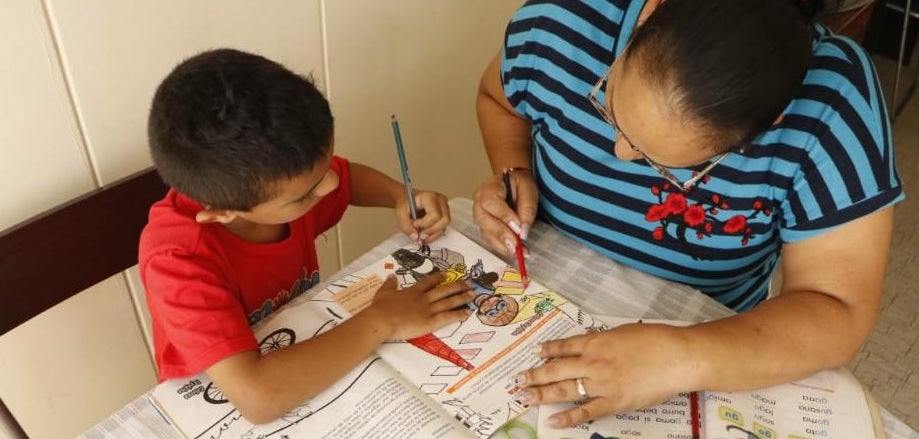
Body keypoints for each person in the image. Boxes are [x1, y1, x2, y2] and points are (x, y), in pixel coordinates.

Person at [473, 0, 903, 429]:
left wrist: (679, 358)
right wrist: (514, 168)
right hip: (549, 293)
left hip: (713, 340)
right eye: (609, 104)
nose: (620, 154)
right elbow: (499, 99)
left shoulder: (834, 101)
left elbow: (838, 310)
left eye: (663, 163)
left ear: (770, 122)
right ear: (649, 12)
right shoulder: (564, 19)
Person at [140, 48, 474, 424]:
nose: (330, 186)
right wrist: (383, 320)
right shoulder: (177, 261)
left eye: (325, 167)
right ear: (224, 214)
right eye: (308, 193)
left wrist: (400, 196)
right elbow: (259, 398)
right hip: (219, 404)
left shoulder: (281, 181)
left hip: (304, 342)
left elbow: (347, 180)